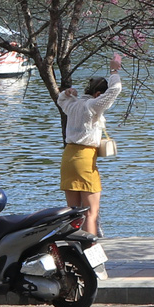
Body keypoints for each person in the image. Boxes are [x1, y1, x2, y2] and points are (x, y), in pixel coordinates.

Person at [59, 54, 123, 239]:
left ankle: (75, 250)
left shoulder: (73, 104)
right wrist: (114, 70)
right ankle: (90, 251)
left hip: (68, 158)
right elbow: (115, 90)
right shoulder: (93, 106)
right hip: (84, 160)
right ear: (97, 95)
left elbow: (60, 100)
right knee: (90, 213)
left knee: (74, 212)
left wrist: (67, 92)